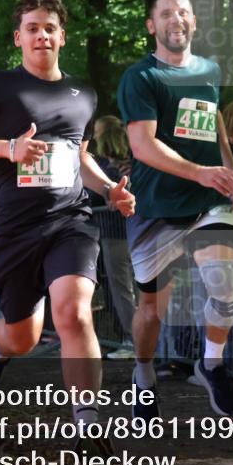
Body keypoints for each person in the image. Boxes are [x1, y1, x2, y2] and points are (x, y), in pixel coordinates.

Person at [0, 0, 135, 462]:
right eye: (32, 27)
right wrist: (8, 149)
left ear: (62, 36)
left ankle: (87, 429)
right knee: (23, 338)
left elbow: (80, 156)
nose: (41, 35)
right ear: (18, 37)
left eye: (50, 27)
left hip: (70, 221)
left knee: (73, 313)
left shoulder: (83, 94)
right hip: (13, 228)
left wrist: (109, 189)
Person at [117, 0, 233, 418]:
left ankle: (211, 363)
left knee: (227, 286)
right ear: (152, 26)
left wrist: (230, 170)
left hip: (207, 201)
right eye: (167, 13)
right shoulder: (141, 77)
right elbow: (143, 147)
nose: (178, 19)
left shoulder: (208, 69)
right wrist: (201, 171)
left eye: (184, 12)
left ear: (194, 20)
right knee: (152, 311)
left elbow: (215, 124)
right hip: (156, 206)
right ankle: (144, 372)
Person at [91, 121, 137, 359]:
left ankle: (133, 342)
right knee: (132, 289)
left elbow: (92, 197)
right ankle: (135, 340)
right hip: (134, 231)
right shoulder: (132, 162)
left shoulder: (103, 168)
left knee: (123, 290)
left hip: (115, 234)